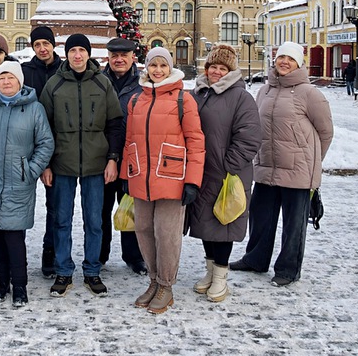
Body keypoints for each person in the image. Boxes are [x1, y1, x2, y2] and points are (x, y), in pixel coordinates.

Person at [230, 41, 334, 287]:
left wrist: (311, 162)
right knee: (260, 217)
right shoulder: (264, 91)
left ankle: (288, 269)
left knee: (293, 224)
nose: (285, 62)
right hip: (266, 165)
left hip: (298, 171)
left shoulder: (310, 94)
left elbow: (326, 132)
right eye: (281, 57)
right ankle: (255, 259)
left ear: (299, 63)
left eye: (291, 59)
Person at [121, 47, 206, 314]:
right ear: (146, 67)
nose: (157, 70)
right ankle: (154, 280)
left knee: (166, 234)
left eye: (163, 65)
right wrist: (126, 174)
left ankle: (166, 286)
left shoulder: (183, 99)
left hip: (172, 177)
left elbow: (196, 141)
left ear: (170, 68)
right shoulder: (137, 99)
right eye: (153, 65)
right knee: (144, 229)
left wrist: (192, 181)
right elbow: (129, 140)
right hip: (141, 176)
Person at [39, 33, 123, 298]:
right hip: (62, 163)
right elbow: (44, 128)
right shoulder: (54, 84)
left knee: (95, 220)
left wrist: (112, 158)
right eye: (73, 50)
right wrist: (46, 164)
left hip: (96, 164)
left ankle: (92, 270)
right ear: (66, 54)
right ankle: (63, 270)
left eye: (82, 50)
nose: (77, 55)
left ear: (89, 54)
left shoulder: (102, 83)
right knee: (61, 220)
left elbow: (115, 123)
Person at [0, 62, 54, 307]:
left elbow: (45, 143)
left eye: (11, 77)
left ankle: (20, 286)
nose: (6, 82)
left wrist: (31, 170)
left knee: (14, 239)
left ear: (20, 81)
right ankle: (1, 282)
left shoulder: (34, 109)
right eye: (2, 77)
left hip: (18, 183)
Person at [189, 45, 261, 302]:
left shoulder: (241, 98)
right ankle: (210, 271)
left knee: (224, 223)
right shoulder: (198, 94)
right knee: (205, 223)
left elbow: (250, 137)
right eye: (213, 67)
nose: (216, 72)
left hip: (227, 174)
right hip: (201, 172)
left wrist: (228, 164)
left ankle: (220, 276)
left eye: (223, 68)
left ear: (231, 72)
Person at [100, 37, 145, 275]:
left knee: (130, 207)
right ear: (108, 58)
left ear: (132, 58)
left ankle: (134, 256)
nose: (119, 60)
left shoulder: (143, 85)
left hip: (132, 158)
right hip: (102, 158)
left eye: (123, 56)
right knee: (100, 209)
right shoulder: (98, 81)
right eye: (114, 56)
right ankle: (100, 254)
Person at [21, 25, 63, 278]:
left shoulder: (64, 70)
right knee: (18, 203)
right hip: (25, 147)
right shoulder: (25, 71)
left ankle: (50, 251)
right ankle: (15, 254)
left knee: (54, 206)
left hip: (54, 149)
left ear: (53, 45)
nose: (42, 48)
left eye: (46, 43)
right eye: (37, 44)